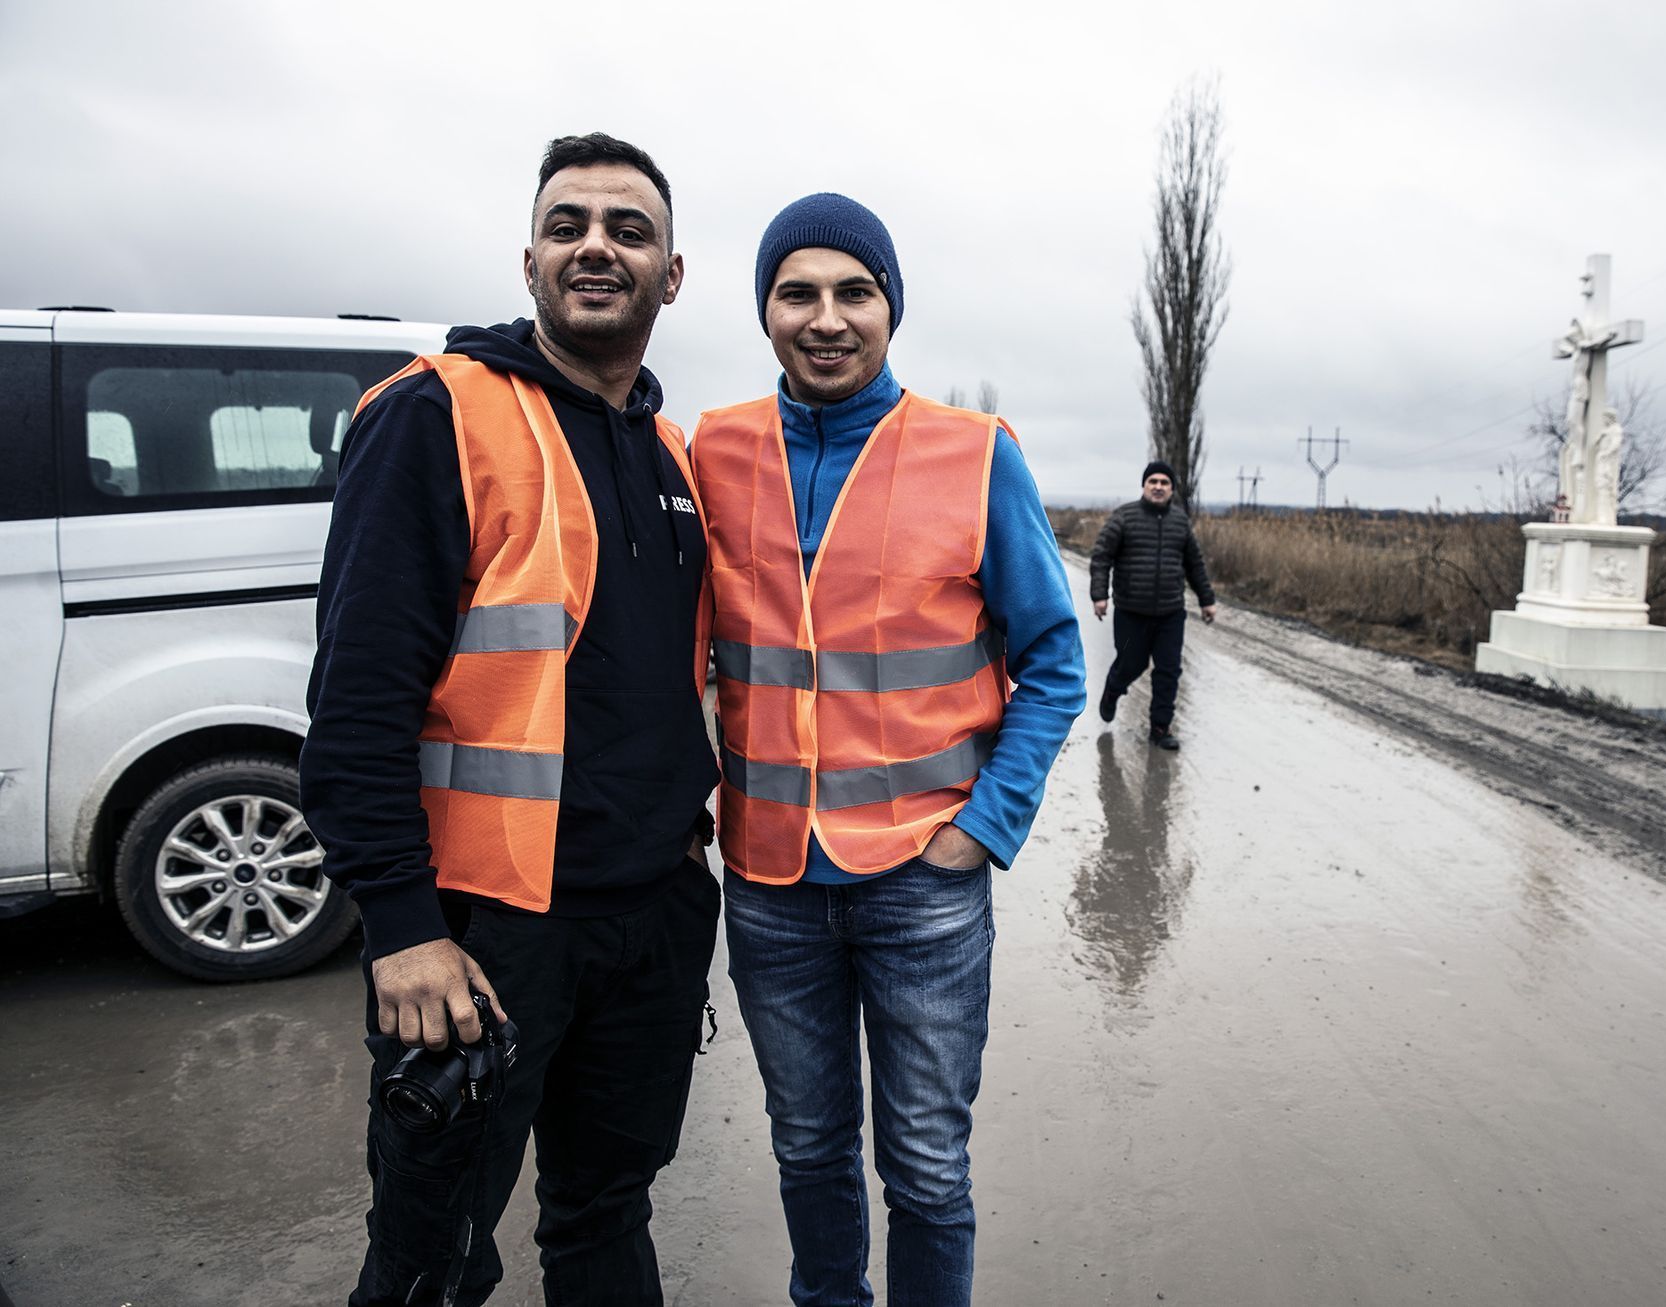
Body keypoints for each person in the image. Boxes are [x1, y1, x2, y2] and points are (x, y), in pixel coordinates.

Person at [300, 132, 720, 1307]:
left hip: (648, 923)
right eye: (569, 224)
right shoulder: (436, 414)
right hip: (485, 939)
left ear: (670, 275)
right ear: (530, 259)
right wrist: (399, 924)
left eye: (628, 229)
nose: (596, 245)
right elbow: (356, 702)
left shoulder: (674, 454)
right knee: (433, 1257)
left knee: (604, 1216)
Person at [690, 193, 1085, 1306]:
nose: (826, 317)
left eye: (853, 291)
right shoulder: (712, 451)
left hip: (925, 880)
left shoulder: (973, 454)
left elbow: (1054, 658)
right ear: (765, 309)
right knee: (807, 1149)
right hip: (768, 880)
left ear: (890, 308)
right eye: (796, 292)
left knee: (923, 1164)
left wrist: (984, 827)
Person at [1089, 462, 1217, 750]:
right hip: (1131, 611)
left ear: (1172, 489)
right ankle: (1113, 690)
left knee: (1168, 670)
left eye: (1164, 483)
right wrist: (1100, 595)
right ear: (1144, 486)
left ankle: (1160, 728)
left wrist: (1207, 600)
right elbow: (1101, 557)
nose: (1158, 486)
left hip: (1171, 613)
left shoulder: (1180, 522)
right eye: (1153, 482)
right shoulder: (1124, 517)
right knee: (1131, 665)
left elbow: (1194, 564)